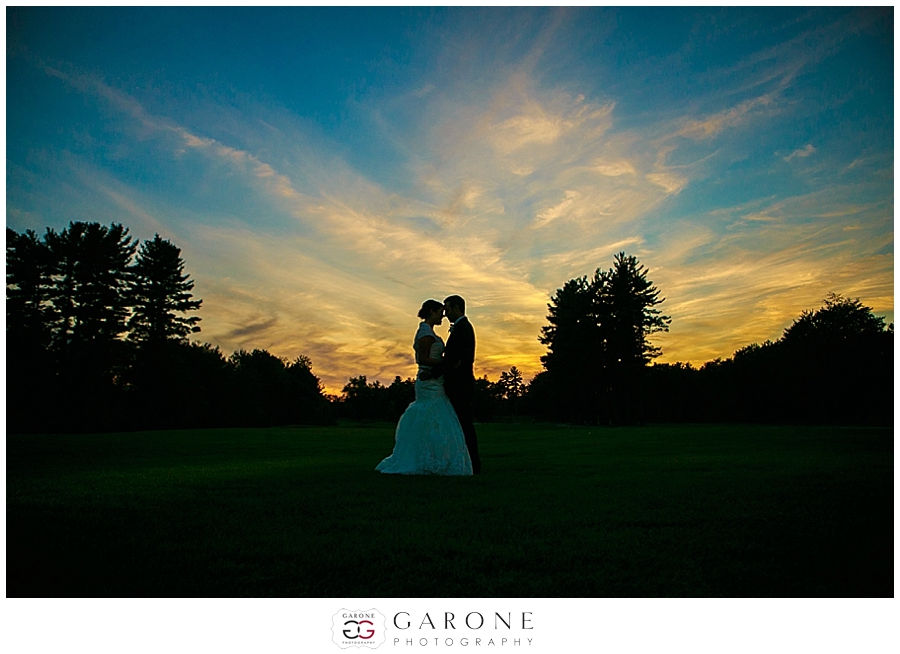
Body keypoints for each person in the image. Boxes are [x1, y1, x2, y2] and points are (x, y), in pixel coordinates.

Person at [375, 300, 473, 476]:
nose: (443, 315)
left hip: (436, 380)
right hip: (429, 382)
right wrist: (447, 363)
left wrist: (446, 365)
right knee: (432, 414)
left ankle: (438, 455)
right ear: (432, 312)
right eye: (440, 311)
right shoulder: (425, 333)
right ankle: (425, 457)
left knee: (439, 417)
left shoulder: (433, 332)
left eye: (446, 310)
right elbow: (422, 359)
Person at [433, 295, 482, 474]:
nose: (445, 314)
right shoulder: (461, 328)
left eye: (447, 309)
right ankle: (466, 460)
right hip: (457, 384)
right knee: (459, 424)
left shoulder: (464, 328)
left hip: (460, 385)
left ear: (456, 308)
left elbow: (458, 358)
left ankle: (473, 463)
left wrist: (433, 372)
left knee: (464, 424)